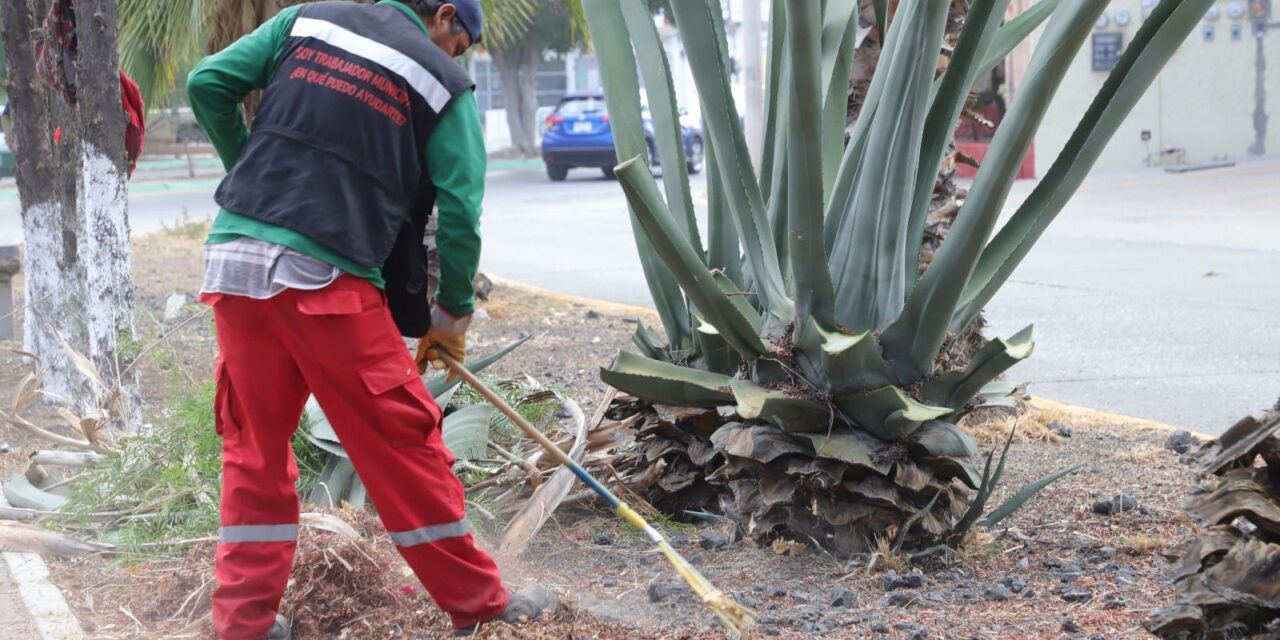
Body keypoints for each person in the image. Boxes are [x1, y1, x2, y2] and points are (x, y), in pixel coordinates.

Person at [186, 2, 553, 638]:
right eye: (462, 42)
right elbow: (460, 210)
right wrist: (451, 318)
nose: (457, 56)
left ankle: (243, 624)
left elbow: (206, 83)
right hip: (327, 279)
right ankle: (479, 604)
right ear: (444, 16)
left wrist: (247, 172)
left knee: (254, 451)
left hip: (235, 261)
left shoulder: (306, 19)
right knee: (401, 441)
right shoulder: (442, 81)